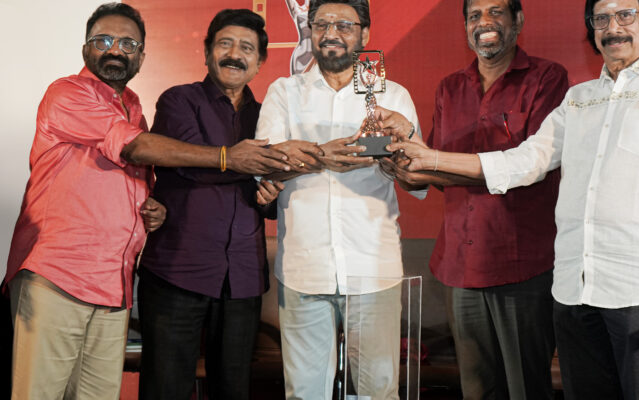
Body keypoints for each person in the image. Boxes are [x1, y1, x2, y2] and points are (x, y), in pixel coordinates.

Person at [389, 0, 639, 398]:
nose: (613, 28)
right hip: (573, 288)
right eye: (601, 19)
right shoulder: (578, 99)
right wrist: (429, 157)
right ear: (592, 31)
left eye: (625, 15)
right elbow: (526, 161)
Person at [3, 3, 295, 399]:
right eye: (104, 40)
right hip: (66, 275)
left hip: (120, 282)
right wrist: (230, 158)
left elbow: (140, 177)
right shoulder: (76, 93)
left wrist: (151, 206)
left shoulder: (135, 107)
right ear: (207, 51)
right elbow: (143, 151)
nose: (116, 49)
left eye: (128, 43)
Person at [376, 0, 568, 398]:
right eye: (475, 15)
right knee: (476, 389)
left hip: (522, 266)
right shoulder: (450, 87)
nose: (485, 22)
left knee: (526, 388)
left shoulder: (547, 78)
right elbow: (444, 175)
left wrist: (428, 159)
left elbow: (530, 165)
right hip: (460, 266)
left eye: (496, 12)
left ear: (518, 20)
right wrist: (405, 158)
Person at [136, 9, 320, 400]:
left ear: (260, 62)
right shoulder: (179, 100)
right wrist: (233, 159)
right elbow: (185, 162)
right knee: (165, 389)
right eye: (225, 44)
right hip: (177, 271)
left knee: (233, 391)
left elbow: (273, 192)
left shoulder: (268, 117)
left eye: (247, 48)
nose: (235, 54)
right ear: (207, 53)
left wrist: (271, 195)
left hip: (243, 277)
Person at [255, 0, 425, 398]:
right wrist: (320, 156)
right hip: (304, 268)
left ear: (365, 33)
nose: (331, 33)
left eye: (344, 25)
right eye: (322, 24)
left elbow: (420, 181)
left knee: (378, 392)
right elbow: (265, 167)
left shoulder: (393, 96)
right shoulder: (284, 93)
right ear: (311, 30)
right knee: (304, 394)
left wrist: (401, 151)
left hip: (373, 267)